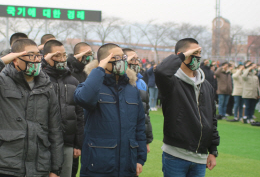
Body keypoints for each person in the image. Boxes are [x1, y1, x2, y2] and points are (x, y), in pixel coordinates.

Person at [0, 39, 64, 177]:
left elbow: (55, 130)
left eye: (38, 55)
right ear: (15, 60)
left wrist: (55, 168)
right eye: (30, 56)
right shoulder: (0, 82)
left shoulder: (46, 86)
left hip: (38, 167)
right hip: (4, 166)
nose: (36, 60)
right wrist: (1, 61)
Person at [74, 43, 147, 177]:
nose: (122, 61)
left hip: (127, 164)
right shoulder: (91, 86)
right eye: (117, 57)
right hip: (98, 164)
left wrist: (140, 159)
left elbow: (140, 126)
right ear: (104, 61)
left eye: (123, 57)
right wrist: (99, 69)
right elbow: (84, 99)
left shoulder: (132, 89)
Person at [155, 38, 220, 177]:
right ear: (181, 55)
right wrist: (182, 56)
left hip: (200, 158)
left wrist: (213, 151)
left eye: (199, 53)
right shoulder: (171, 82)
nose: (198, 57)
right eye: (194, 53)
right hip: (175, 155)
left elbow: (212, 120)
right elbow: (161, 71)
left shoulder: (207, 86)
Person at [42, 40, 84, 177]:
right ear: (47, 56)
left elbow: (79, 113)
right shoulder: (40, 78)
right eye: (57, 56)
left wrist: (78, 144)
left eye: (64, 55)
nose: (61, 59)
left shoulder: (72, 81)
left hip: (67, 141)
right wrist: (43, 65)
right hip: (43, 141)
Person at [66, 42, 93, 177]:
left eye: (90, 54)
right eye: (85, 54)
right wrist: (77, 143)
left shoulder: (92, 72)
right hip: (74, 127)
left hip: (90, 127)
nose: (88, 57)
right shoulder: (68, 70)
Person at [123, 48, 153, 154]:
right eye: (132, 60)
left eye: (137, 59)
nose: (135, 62)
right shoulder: (117, 81)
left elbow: (145, 114)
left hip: (137, 135)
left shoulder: (142, 83)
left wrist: (146, 140)